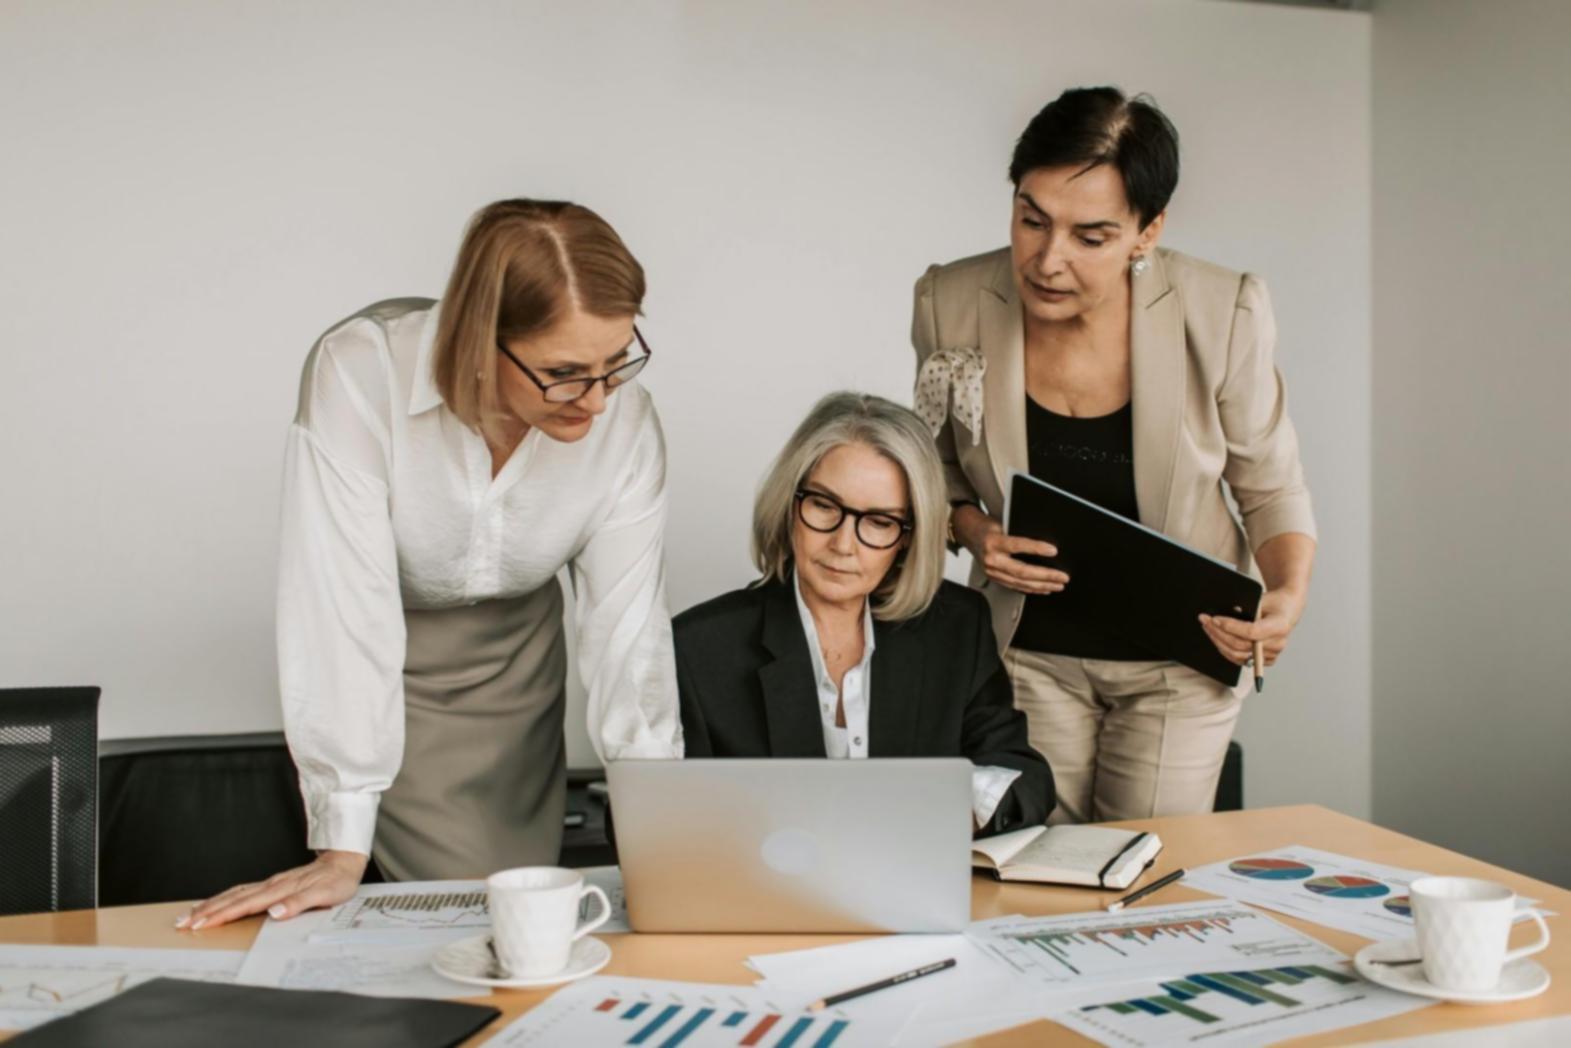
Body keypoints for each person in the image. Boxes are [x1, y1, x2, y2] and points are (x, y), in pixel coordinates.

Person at [181, 200, 682, 930]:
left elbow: (627, 630)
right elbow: (342, 602)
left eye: (617, 363)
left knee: (512, 907)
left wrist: (660, 830)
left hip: (515, 662)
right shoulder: (361, 372)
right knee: (442, 915)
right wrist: (340, 840)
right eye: (565, 373)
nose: (599, 401)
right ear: (483, 340)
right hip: (384, 647)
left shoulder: (626, 423)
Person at [911, 87, 1317, 825]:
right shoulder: (950, 298)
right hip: (1024, 651)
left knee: (1141, 872)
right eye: (1030, 219)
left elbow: (1270, 486)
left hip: (1180, 659)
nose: (1046, 259)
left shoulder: (1222, 310)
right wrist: (975, 534)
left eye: (1090, 236)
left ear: (1146, 230)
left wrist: (1284, 597)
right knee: (1028, 868)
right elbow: (932, 473)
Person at [673, 392, 1053, 835]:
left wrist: (953, 806)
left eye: (878, 521)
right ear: (789, 504)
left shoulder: (956, 625)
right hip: (765, 897)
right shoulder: (697, 648)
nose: (843, 544)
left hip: (915, 893)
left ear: (909, 535)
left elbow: (1024, 774)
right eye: (824, 506)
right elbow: (645, 819)